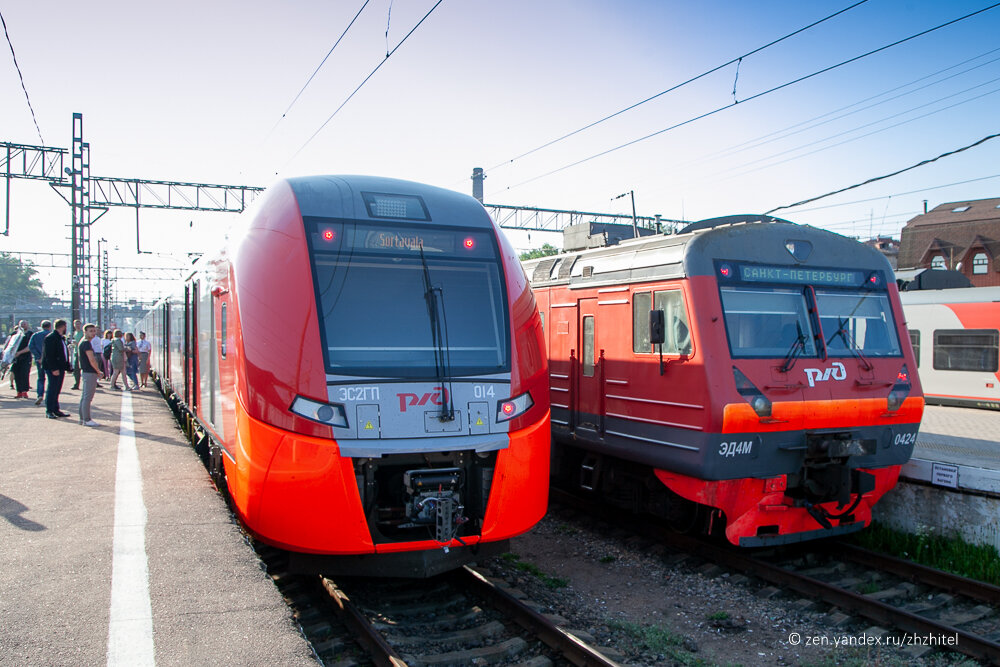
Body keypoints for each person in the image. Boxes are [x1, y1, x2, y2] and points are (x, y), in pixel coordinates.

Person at [41, 318, 73, 418]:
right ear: (63, 327)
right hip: (54, 368)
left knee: (57, 389)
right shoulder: (51, 338)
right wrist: (54, 368)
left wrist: (67, 366)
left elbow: (64, 353)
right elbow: (49, 355)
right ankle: (49, 410)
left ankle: (56, 409)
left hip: (60, 367)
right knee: (52, 389)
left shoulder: (60, 338)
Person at [77, 323, 103, 427]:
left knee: (84, 397)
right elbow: (91, 359)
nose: (93, 333)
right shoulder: (86, 343)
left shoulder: (82, 342)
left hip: (86, 371)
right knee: (88, 397)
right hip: (89, 372)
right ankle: (87, 419)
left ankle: (82, 418)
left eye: (94, 331)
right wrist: (98, 371)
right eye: (90, 331)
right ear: (85, 332)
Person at [28, 320, 52, 405]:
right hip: (50, 359)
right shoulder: (51, 335)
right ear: (50, 326)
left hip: (39, 360)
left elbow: (31, 346)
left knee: (41, 378)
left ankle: (40, 395)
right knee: (51, 378)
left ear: (41, 326)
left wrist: (38, 356)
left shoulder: (35, 335)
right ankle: (50, 396)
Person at [11, 320, 33, 398]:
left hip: (26, 357)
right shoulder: (15, 334)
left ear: (27, 325)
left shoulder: (30, 334)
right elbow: (10, 345)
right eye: (21, 324)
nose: (23, 325)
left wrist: (20, 352)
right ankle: (19, 391)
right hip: (15, 358)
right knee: (16, 374)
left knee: (24, 373)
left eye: (24, 324)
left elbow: (30, 347)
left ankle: (24, 391)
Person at [70, 320, 84, 390]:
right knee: (76, 369)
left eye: (78, 324)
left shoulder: (83, 333)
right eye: (76, 324)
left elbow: (83, 343)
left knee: (85, 369)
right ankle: (76, 384)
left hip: (82, 353)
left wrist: (77, 343)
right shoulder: (75, 333)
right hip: (76, 352)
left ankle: (86, 384)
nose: (77, 325)